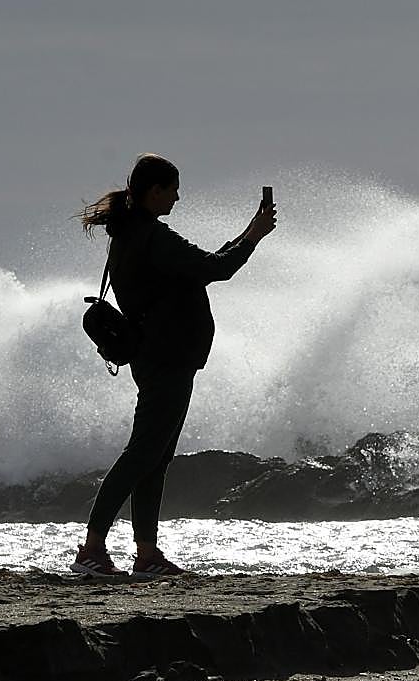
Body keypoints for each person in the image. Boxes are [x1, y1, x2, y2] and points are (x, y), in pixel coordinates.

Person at [73, 153, 277, 577]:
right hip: (166, 358)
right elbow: (216, 268)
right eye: (173, 189)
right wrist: (254, 235)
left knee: (154, 457)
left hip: (158, 357)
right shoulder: (152, 236)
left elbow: (202, 267)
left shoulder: (130, 234)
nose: (178, 197)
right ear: (154, 191)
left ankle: (146, 554)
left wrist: (249, 233)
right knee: (142, 454)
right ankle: (92, 550)